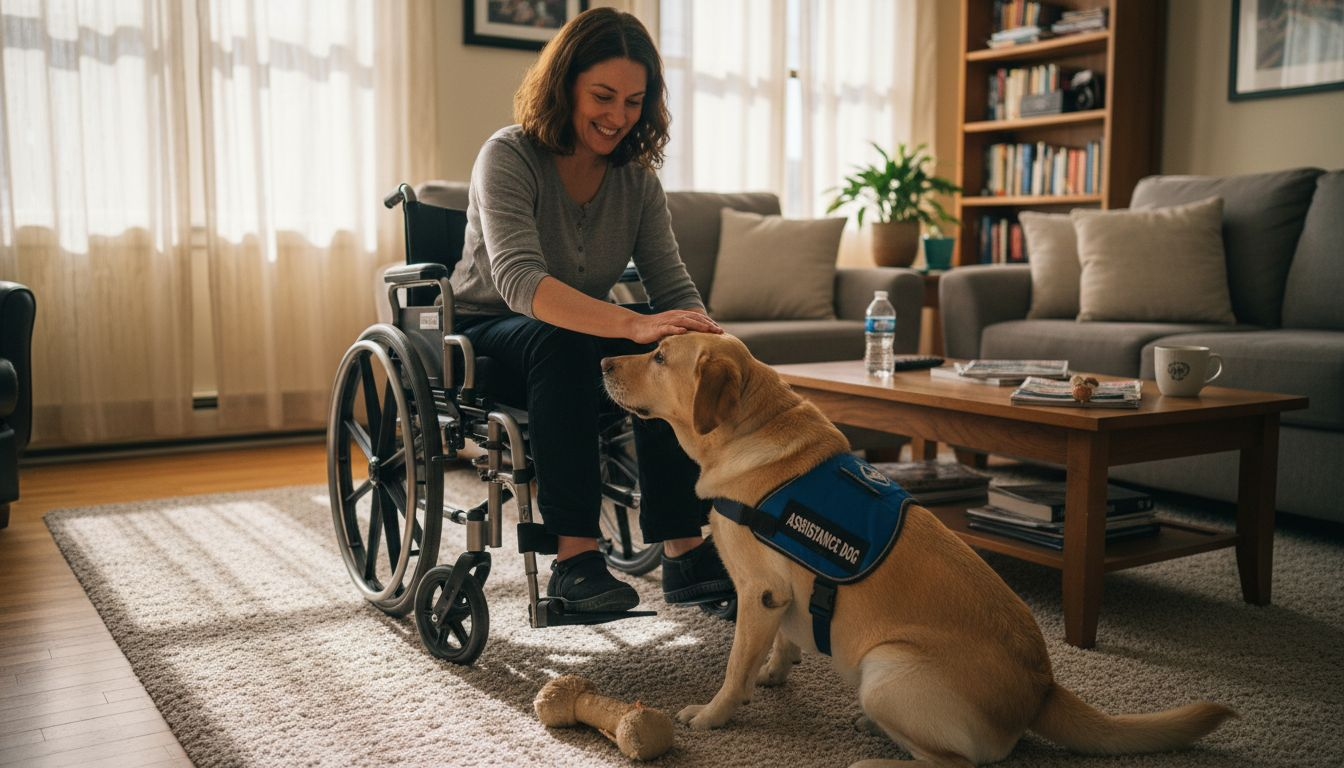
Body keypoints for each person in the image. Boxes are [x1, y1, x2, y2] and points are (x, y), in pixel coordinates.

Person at [449, 7, 733, 613]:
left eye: (633, 102)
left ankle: (685, 548)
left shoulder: (637, 180)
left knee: (663, 350)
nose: (618, 117)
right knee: (575, 340)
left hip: (577, 337)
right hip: (488, 329)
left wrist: (709, 343)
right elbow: (520, 281)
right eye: (603, 96)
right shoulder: (507, 155)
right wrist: (633, 323)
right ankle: (574, 558)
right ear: (565, 85)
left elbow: (672, 285)